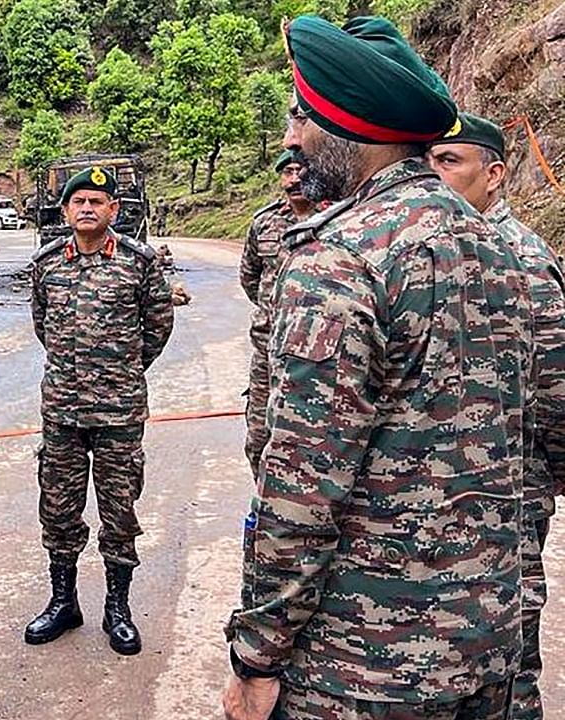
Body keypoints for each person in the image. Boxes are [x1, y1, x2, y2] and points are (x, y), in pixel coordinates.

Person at [223, 16, 532, 720]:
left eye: (303, 120)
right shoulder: (503, 248)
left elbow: (302, 490)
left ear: (346, 127)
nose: (291, 140)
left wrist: (257, 655)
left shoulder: (340, 259)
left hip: (362, 666)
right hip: (486, 646)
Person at [428, 112, 565, 720]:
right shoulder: (430, 247)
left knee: (506, 657)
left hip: (508, 493)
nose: (435, 174)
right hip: (433, 492)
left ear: (496, 175)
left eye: (450, 162)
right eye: (428, 160)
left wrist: (547, 479)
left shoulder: (524, 262)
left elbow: (556, 391)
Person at [26, 166, 174, 656]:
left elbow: (157, 326)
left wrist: (123, 369)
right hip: (62, 412)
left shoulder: (140, 262)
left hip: (119, 413)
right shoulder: (46, 263)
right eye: (79, 201)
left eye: (97, 201)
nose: (87, 208)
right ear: (65, 210)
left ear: (114, 210)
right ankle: (63, 601)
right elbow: (42, 324)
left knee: (119, 511)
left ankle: (118, 608)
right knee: (58, 508)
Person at [238, 150, 318, 482]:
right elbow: (250, 277)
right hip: (269, 352)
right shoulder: (265, 223)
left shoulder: (339, 217)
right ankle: (264, 509)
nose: (294, 179)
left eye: (301, 171)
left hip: (318, 354)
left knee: (311, 441)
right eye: (287, 171)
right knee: (259, 438)